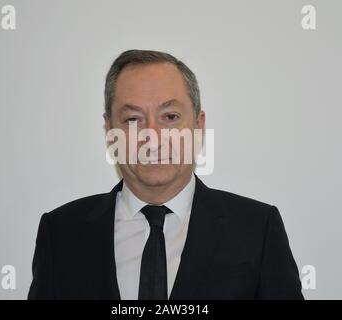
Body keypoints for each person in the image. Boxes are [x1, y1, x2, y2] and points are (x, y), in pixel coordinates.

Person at [28, 49, 303, 300]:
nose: (153, 138)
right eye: (133, 120)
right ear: (109, 130)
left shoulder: (257, 230)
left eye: (170, 117)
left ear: (198, 125)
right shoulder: (61, 233)